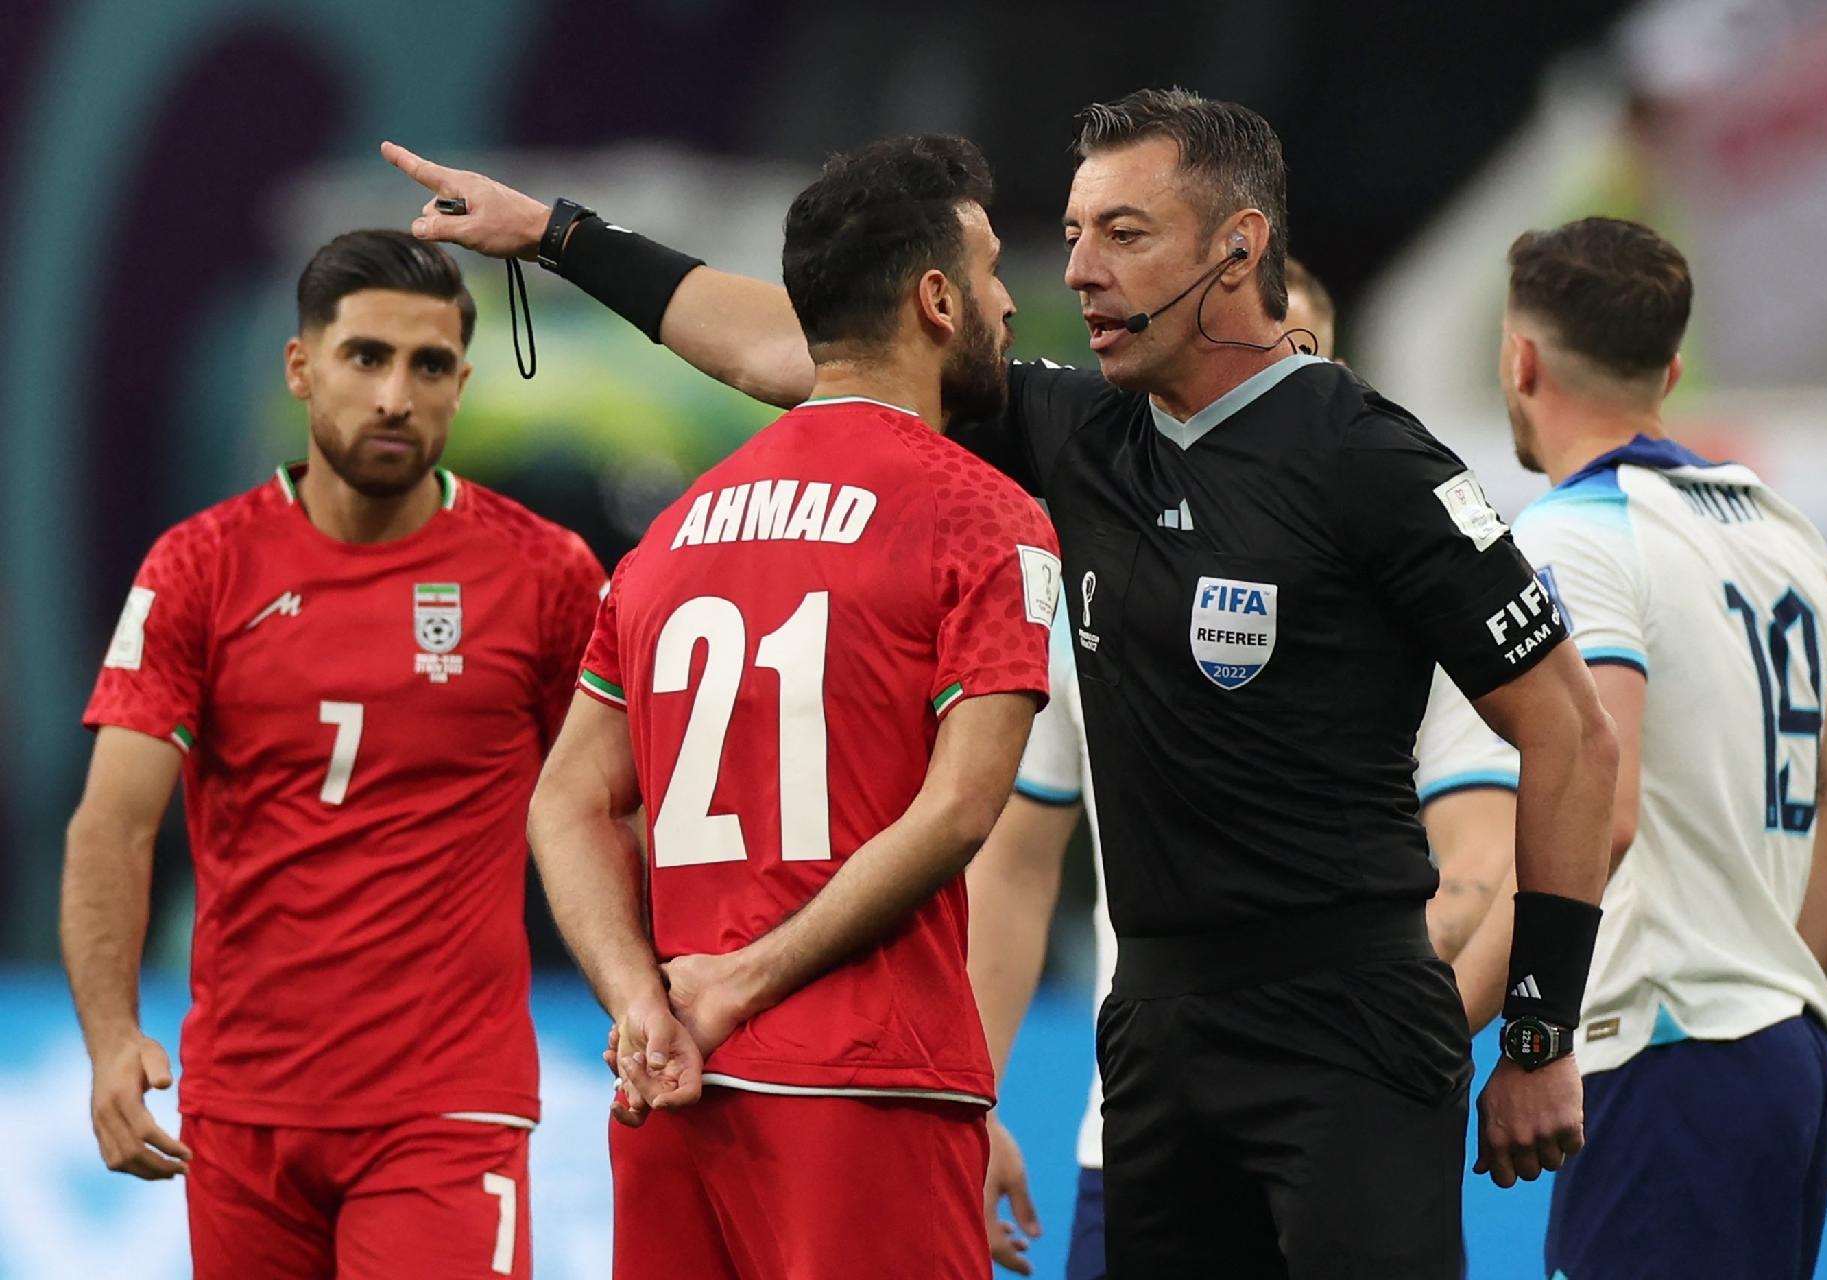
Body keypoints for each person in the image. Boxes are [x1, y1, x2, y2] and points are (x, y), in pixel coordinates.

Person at [387, 86, 1618, 1277]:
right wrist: (557, 235)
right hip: (1153, 1029)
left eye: (1123, 236)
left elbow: (1572, 734)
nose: (1078, 270)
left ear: (1239, 249)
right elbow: (799, 349)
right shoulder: (1081, 432)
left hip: (1346, 1012)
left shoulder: (1372, 459)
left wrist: (1538, 1032)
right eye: (1075, 234)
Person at [522, 135, 1060, 1280]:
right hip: (865, 1080)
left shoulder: (668, 536)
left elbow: (567, 797)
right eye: (992, 272)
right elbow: (965, 806)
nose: (1009, 302)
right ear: (934, 299)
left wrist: (644, 1001)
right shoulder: (984, 513)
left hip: (671, 1083)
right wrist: (744, 981)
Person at [61, 230, 607, 1278]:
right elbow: (113, 821)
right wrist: (112, 1034)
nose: (397, 394)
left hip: (449, 1101)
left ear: (462, 381)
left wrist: (647, 996)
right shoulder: (198, 566)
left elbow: (609, 804)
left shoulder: (545, 575)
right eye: (366, 357)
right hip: (245, 1106)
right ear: (301, 367)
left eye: (430, 364)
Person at [1416, 216, 1827, 1280]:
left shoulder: (1570, 540)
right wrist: (1758, 985)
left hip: (1669, 1054)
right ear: (1670, 368)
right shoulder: (1779, 528)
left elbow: (1603, 803)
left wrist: (1441, 1034)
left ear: (1519, 359)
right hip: (1788, 1057)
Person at [961, 262, 1354, 1280]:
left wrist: (1382, 1073)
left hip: (1338, 1129)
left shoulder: (1394, 592)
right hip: (1139, 1134)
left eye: (1299, 358)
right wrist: (975, 1098)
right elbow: (1012, 864)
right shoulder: (1092, 590)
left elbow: (1472, 861)